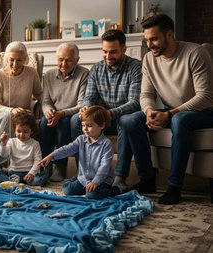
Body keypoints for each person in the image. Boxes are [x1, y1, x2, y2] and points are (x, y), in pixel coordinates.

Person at [126, 14, 213, 204]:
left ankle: (174, 187)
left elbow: (204, 96)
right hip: (171, 109)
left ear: (170, 34)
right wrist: (149, 111)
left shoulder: (195, 53)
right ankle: (147, 180)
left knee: (180, 119)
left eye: (154, 39)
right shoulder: (149, 59)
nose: (150, 44)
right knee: (130, 120)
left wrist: (170, 114)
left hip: (205, 110)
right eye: (147, 40)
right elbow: (146, 95)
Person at [69, 29, 153, 193]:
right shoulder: (97, 69)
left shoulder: (135, 67)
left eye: (113, 52)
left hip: (124, 116)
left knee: (125, 121)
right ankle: (84, 172)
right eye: (105, 51)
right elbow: (90, 97)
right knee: (75, 120)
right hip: (104, 119)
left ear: (123, 49)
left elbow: (135, 102)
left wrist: (110, 113)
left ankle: (120, 177)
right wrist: (86, 107)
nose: (108, 56)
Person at [40, 106, 120, 199]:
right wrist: (51, 156)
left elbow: (104, 167)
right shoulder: (81, 139)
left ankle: (114, 190)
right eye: (83, 125)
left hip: (101, 181)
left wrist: (95, 182)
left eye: (89, 126)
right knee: (67, 189)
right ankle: (81, 185)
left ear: (101, 125)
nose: (85, 129)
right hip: (84, 180)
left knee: (91, 195)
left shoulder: (106, 144)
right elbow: (67, 149)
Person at [0, 41, 42, 169]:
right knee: (8, 117)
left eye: (19, 60)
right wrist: (11, 110)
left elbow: (40, 94)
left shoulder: (31, 73)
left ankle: (28, 165)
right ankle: (0, 163)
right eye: (11, 60)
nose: (15, 64)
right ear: (6, 58)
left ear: (25, 59)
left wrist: (50, 107)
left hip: (22, 116)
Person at [40, 42, 89, 182]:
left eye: (68, 60)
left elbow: (82, 105)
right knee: (44, 122)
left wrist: (62, 113)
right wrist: (49, 111)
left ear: (77, 60)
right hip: (55, 112)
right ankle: (46, 165)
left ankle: (60, 166)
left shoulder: (84, 74)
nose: (63, 63)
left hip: (72, 114)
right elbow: (46, 101)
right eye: (60, 59)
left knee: (64, 123)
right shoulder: (49, 75)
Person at [0, 112, 47, 186]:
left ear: (31, 131)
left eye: (25, 132)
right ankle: (13, 182)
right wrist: (3, 143)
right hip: (13, 173)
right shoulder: (11, 141)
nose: (21, 135)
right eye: (18, 131)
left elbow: (38, 160)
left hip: (28, 174)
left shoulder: (35, 144)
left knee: (42, 179)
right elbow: (3, 155)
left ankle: (12, 183)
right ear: (14, 130)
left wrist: (31, 173)